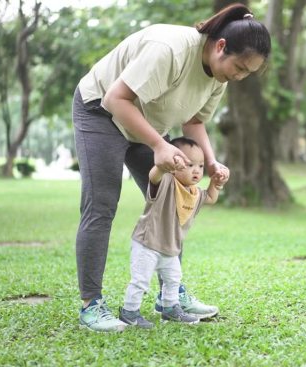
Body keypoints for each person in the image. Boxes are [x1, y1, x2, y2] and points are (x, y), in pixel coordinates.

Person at [72, 3, 271, 332]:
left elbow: (194, 121)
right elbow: (115, 100)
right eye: (239, 67)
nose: (239, 77)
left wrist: (210, 161)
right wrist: (158, 144)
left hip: (148, 120)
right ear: (221, 46)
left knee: (173, 200)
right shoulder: (171, 49)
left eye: (247, 73)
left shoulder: (219, 76)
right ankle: (91, 304)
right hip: (101, 111)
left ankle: (169, 297)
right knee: (102, 204)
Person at [119, 137, 225, 329]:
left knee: (173, 279)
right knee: (141, 281)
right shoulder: (166, 182)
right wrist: (162, 166)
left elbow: (209, 197)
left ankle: (170, 308)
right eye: (189, 164)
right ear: (174, 163)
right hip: (147, 243)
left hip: (170, 248)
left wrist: (216, 184)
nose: (196, 170)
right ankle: (130, 312)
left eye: (200, 166)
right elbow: (153, 177)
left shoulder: (194, 192)